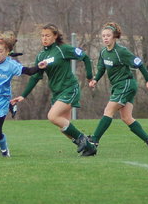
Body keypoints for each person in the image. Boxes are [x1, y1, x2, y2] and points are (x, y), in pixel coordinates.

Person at [11, 23, 96, 156]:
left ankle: (83, 139)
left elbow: (84, 57)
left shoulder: (62, 49)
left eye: (47, 35)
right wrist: (23, 95)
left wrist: (89, 77)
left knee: (52, 116)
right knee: (64, 127)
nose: (44, 38)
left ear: (55, 36)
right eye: (42, 36)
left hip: (69, 88)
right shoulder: (41, 56)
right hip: (57, 93)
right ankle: (89, 147)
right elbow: (35, 77)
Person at [88, 22, 148, 150]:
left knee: (108, 110)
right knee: (126, 118)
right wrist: (95, 80)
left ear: (114, 36)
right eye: (103, 36)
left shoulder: (121, 51)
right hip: (118, 86)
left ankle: (94, 140)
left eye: (108, 35)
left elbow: (139, 63)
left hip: (126, 84)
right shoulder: (103, 52)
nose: (105, 38)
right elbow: (101, 69)